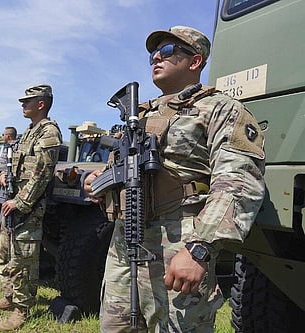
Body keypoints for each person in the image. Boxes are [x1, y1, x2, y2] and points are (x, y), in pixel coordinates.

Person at [84, 26, 266, 332]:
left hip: (178, 246)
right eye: (154, 52)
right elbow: (123, 172)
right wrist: (101, 183)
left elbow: (239, 182)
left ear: (194, 62)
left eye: (168, 51)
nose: (156, 56)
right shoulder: (137, 116)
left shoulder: (221, 109)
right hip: (124, 243)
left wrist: (199, 248)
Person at [0, 84, 62, 331]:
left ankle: (22, 309)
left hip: (27, 207)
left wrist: (20, 202)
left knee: (23, 260)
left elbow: (42, 174)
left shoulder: (48, 133)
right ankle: (9, 298)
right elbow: (23, 166)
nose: (23, 105)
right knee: (5, 254)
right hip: (14, 203)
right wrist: (8, 177)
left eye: (27, 101)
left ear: (41, 104)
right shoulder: (30, 132)